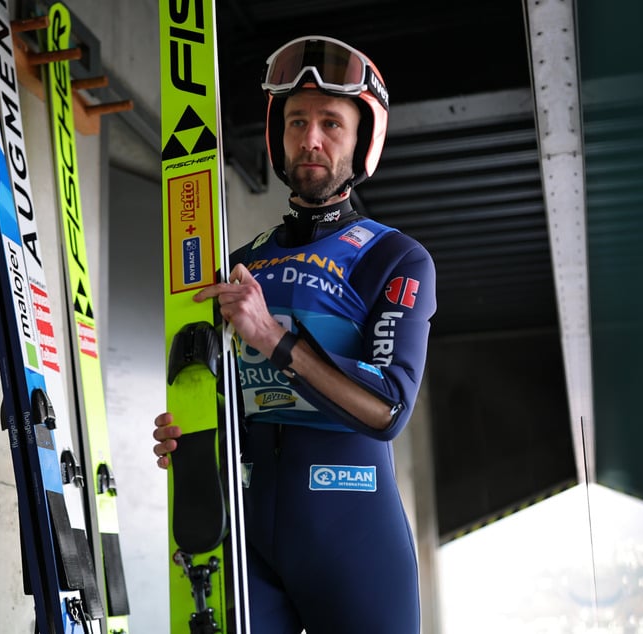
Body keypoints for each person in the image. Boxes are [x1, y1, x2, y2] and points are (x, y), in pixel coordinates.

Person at [153, 35, 436, 633]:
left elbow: (388, 407)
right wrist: (192, 433)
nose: (311, 138)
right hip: (245, 535)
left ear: (364, 142)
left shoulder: (394, 258)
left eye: (332, 123)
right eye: (297, 121)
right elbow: (226, 398)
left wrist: (272, 337)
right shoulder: (239, 265)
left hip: (353, 539)